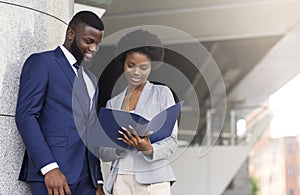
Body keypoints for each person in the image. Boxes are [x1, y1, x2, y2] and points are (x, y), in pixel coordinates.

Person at [15, 11, 105, 195]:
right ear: (71, 33)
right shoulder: (42, 62)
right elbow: (26, 116)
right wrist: (49, 167)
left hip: (88, 180)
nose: (94, 49)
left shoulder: (91, 79)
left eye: (97, 44)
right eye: (89, 41)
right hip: (54, 175)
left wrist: (98, 179)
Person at [99, 29, 178, 195]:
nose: (136, 72)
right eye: (131, 65)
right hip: (120, 179)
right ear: (123, 63)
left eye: (143, 67)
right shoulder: (112, 103)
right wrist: (120, 147)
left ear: (152, 66)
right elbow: (103, 150)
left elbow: (172, 141)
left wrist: (148, 148)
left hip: (154, 179)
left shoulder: (162, 93)